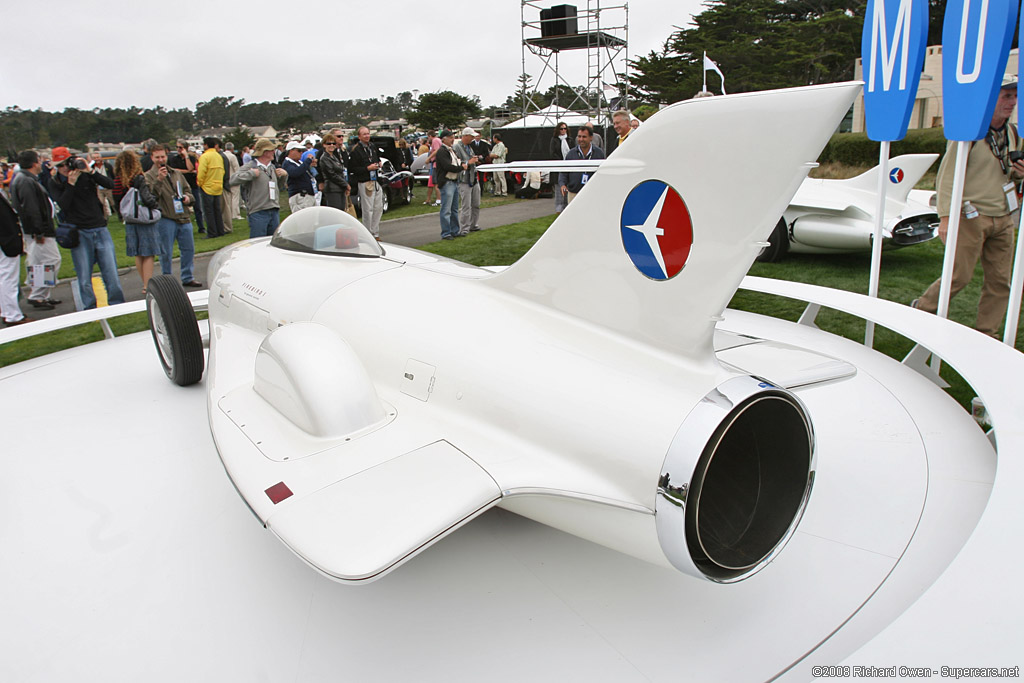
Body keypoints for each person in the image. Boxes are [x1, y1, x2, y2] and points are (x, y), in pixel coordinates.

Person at [912, 76, 1024, 338]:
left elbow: (1008, 175)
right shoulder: (969, 132)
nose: (1012, 102)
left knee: (1000, 282)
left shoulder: (1012, 133)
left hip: (1003, 217)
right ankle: (922, 311)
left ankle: (988, 335)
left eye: (1014, 96)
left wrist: (1020, 173)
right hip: (971, 217)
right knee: (958, 276)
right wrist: (946, 217)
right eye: (1006, 96)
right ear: (990, 98)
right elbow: (948, 176)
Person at [47, 146, 124, 309]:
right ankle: (89, 308)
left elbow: (110, 184)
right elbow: (62, 206)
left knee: (110, 271)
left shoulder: (86, 175)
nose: (63, 169)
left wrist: (91, 171)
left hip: (99, 227)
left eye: (65, 164)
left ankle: (117, 305)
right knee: (84, 275)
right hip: (79, 231)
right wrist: (70, 184)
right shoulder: (55, 182)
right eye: (58, 166)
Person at [145, 143, 202, 289]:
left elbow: (188, 190)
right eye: (157, 157)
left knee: (188, 248)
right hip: (165, 217)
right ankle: (167, 279)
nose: (160, 160)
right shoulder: (148, 176)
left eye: (163, 156)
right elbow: (151, 196)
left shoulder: (176, 173)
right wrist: (159, 180)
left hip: (183, 215)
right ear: (152, 158)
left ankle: (187, 276)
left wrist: (188, 198)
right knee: (166, 251)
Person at [10, 150, 61, 309]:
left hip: (37, 229)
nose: (41, 163)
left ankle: (42, 295)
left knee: (39, 262)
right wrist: (38, 231)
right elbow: (31, 208)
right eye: (39, 160)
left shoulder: (24, 179)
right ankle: (38, 295)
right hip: (39, 231)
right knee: (51, 260)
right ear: (34, 163)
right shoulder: (26, 181)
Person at [113, 150, 162, 295]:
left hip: (130, 219)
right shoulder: (138, 178)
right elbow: (147, 198)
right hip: (143, 218)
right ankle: (148, 285)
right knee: (148, 253)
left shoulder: (118, 180)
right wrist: (155, 205)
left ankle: (144, 282)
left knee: (138, 253)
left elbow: (116, 201)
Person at [230, 138, 289, 238]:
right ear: (264, 152)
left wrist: (284, 177)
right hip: (258, 211)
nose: (274, 152)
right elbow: (233, 180)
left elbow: (278, 187)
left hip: (274, 209)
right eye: (271, 150)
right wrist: (251, 174)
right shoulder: (251, 166)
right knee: (257, 242)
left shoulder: (272, 167)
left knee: (273, 242)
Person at [347, 126, 384, 238]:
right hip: (365, 182)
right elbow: (353, 169)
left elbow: (376, 158)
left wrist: (378, 163)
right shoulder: (355, 150)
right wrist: (367, 168)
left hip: (375, 181)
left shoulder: (372, 147)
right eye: (364, 134)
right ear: (359, 136)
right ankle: (367, 234)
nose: (367, 136)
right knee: (368, 209)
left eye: (368, 133)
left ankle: (375, 232)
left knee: (378, 207)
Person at [0, 190, 30, 326]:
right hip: (6, 243)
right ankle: (13, 315)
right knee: (8, 279)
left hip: (7, 241)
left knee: (5, 279)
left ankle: (8, 312)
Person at [558, 126, 606, 204]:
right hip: (574, 193)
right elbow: (564, 172)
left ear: (591, 138)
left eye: (584, 137)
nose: (581, 139)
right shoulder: (571, 154)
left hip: (592, 194)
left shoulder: (599, 153)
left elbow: (603, 172)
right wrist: (562, 184)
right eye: (579, 137)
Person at [169, 141, 205, 234]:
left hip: (192, 184)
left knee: (197, 207)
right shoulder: (174, 159)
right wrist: (188, 171)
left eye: (180, 147)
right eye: (177, 147)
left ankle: (201, 227)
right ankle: (180, 227)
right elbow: (175, 171)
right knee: (180, 207)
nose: (178, 149)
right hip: (180, 185)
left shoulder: (191, 158)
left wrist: (186, 157)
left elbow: (191, 168)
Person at [453, 127, 483, 235]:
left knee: (476, 204)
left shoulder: (469, 147)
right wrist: (469, 161)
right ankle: (464, 228)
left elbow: (471, 160)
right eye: (471, 136)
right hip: (464, 180)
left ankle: (473, 224)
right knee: (466, 205)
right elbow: (456, 162)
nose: (472, 138)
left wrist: (476, 160)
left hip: (473, 178)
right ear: (465, 136)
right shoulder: (456, 147)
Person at [197, 137, 227, 238]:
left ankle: (212, 232)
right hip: (218, 185)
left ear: (205, 145)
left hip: (207, 186)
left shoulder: (204, 156)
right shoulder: (219, 156)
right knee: (217, 210)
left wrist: (199, 183)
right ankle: (220, 230)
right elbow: (222, 171)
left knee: (209, 211)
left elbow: (201, 172)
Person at [434, 129, 462, 240]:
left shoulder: (451, 150)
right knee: (446, 209)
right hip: (447, 182)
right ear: (444, 139)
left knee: (454, 208)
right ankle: (446, 232)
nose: (453, 139)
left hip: (454, 181)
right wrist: (461, 168)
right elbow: (447, 166)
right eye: (450, 137)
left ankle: (455, 230)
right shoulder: (442, 151)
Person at [282, 140, 317, 214]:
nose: (301, 153)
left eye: (302, 151)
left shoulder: (299, 162)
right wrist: (307, 161)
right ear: (291, 151)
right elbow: (295, 173)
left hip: (309, 195)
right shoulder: (287, 163)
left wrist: (312, 165)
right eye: (299, 151)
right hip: (300, 197)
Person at [318, 133, 350, 211]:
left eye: (333, 143)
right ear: (324, 145)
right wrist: (345, 184)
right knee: (336, 211)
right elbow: (331, 174)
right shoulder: (324, 158)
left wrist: (344, 186)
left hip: (340, 188)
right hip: (332, 189)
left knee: (342, 211)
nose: (331, 145)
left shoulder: (334, 157)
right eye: (329, 143)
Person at [550, 121, 570, 212]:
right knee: (559, 189)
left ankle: (566, 207)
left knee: (567, 188)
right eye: (561, 128)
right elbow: (552, 153)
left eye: (565, 128)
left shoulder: (570, 140)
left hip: (569, 168)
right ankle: (559, 208)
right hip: (558, 168)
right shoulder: (554, 140)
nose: (563, 130)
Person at [90, 152, 116, 218]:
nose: (96, 159)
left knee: (113, 202)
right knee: (101, 203)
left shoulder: (108, 165)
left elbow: (113, 175)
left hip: (108, 187)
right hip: (98, 188)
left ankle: (120, 216)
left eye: (98, 157)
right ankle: (104, 218)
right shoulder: (91, 167)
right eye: (94, 158)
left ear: (101, 158)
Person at [221, 142, 242, 221]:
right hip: (233, 178)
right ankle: (235, 214)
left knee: (228, 197)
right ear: (232, 149)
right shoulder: (232, 156)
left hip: (224, 179)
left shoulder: (222, 155)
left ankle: (228, 213)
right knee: (235, 197)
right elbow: (237, 168)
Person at [425, 130, 442, 206]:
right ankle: (435, 200)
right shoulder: (438, 140)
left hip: (436, 164)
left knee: (436, 184)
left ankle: (439, 200)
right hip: (435, 164)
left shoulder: (435, 141)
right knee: (433, 183)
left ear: (430, 136)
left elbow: (437, 150)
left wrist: (429, 158)